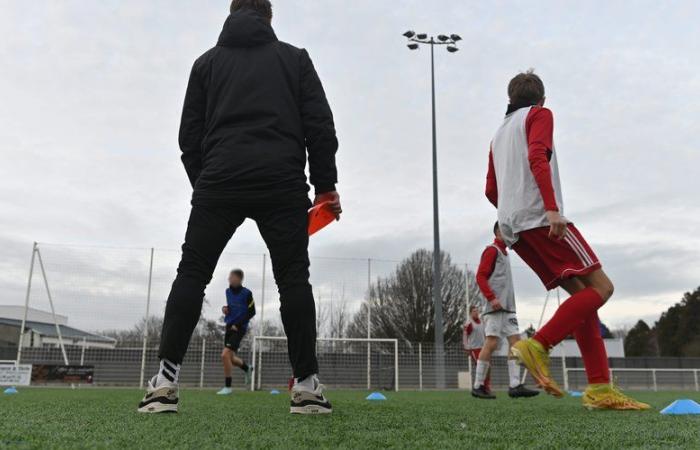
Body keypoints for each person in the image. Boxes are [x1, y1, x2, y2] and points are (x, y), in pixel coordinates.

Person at [138, 0, 340, 414]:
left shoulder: (205, 64)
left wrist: (207, 182)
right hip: (281, 182)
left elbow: (188, 137)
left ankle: (164, 383)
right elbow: (319, 124)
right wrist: (325, 187)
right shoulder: (295, 59)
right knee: (293, 280)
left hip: (220, 181)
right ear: (269, 17)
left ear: (230, 14)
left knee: (191, 273)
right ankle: (305, 386)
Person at [485, 70, 649, 410]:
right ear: (541, 100)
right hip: (542, 219)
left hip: (515, 227)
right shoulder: (540, 115)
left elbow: (490, 189)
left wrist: (513, 211)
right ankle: (538, 344)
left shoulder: (498, 135)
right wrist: (551, 209)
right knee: (603, 288)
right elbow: (536, 156)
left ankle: (600, 389)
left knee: (583, 298)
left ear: (509, 101)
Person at [471, 222, 539, 400]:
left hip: (509, 309)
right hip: (494, 308)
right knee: (492, 343)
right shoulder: (492, 250)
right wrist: (491, 298)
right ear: (498, 232)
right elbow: (480, 276)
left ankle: (515, 385)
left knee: (516, 343)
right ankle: (478, 386)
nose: (510, 234)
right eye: (506, 230)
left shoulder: (506, 254)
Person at [217, 269, 255, 395]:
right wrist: (225, 308)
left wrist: (238, 325)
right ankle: (247, 368)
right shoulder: (227, 292)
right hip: (228, 327)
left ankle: (228, 387)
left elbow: (252, 312)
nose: (229, 279)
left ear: (238, 279)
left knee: (224, 355)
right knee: (231, 358)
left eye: (231, 276)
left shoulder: (247, 293)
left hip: (239, 328)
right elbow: (231, 307)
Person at [463, 305, 490, 393]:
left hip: (484, 349)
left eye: (477, 311)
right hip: (474, 349)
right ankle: (478, 386)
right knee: (480, 367)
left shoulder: (482, 322)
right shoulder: (469, 323)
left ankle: (485, 387)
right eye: (474, 311)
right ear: (470, 313)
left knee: (488, 367)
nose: (476, 312)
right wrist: (467, 348)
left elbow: (485, 334)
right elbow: (465, 336)